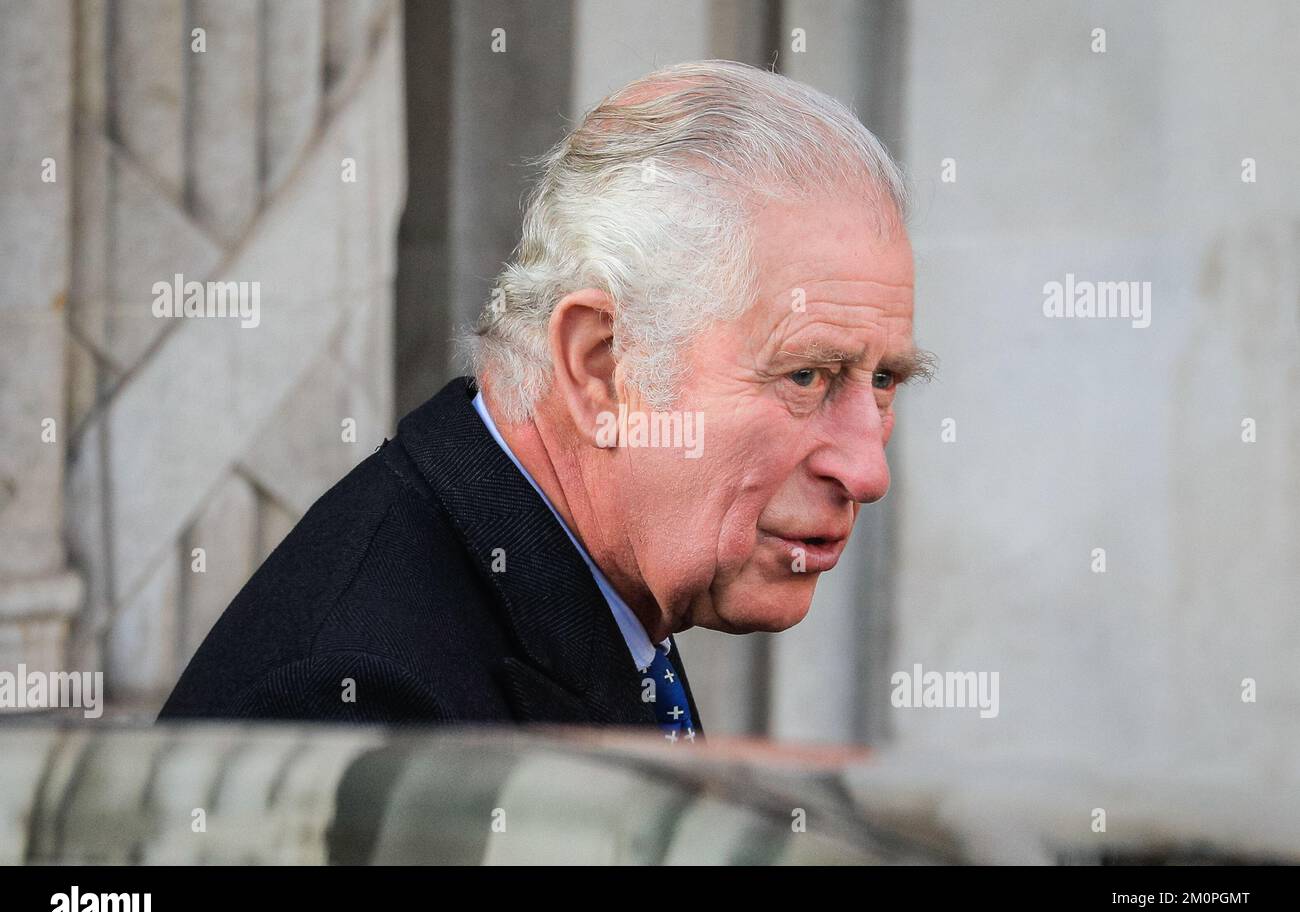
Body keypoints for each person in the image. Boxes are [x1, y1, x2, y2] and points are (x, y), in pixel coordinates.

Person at [158, 60, 930, 743]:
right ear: (600, 367)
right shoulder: (364, 704)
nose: (867, 471)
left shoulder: (592, 575)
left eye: (885, 380)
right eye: (806, 376)